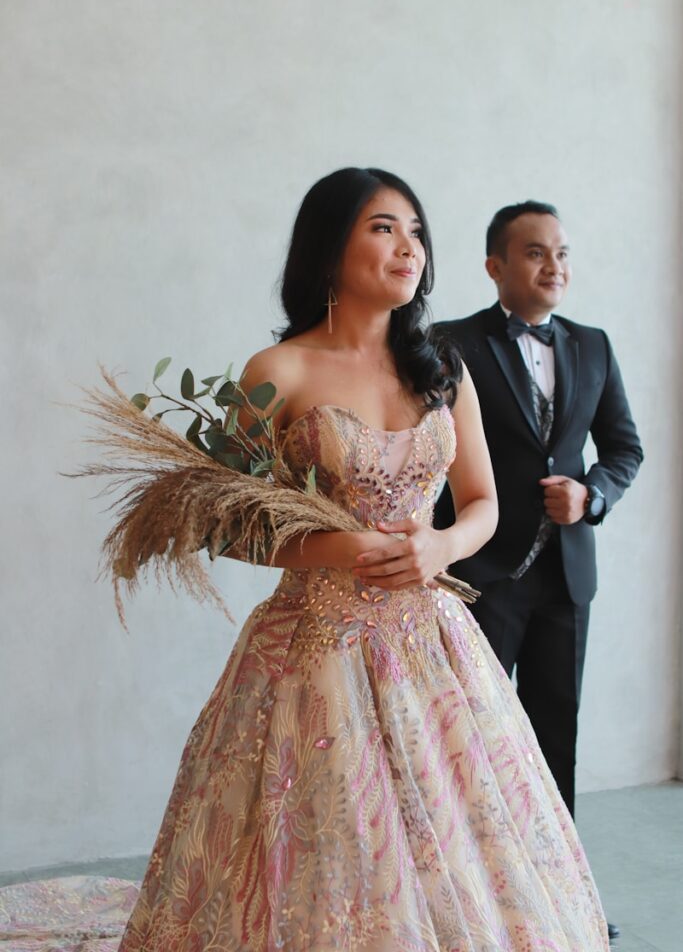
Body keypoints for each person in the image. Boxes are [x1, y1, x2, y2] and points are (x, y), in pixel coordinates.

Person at [120, 172, 609, 951]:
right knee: (328, 838)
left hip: (432, 640)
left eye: (415, 230)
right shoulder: (276, 371)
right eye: (383, 227)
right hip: (315, 647)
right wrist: (336, 548)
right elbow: (226, 522)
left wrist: (441, 544)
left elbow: (482, 501)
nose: (408, 246)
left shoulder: (442, 368)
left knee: (455, 838)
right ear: (327, 246)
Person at [433, 201, 643, 940]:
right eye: (532, 253)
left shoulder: (592, 345)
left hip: (565, 580)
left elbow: (623, 448)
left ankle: (564, 900)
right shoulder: (449, 343)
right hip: (480, 575)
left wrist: (591, 497)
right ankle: (475, 906)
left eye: (560, 252)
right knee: (475, 742)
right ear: (494, 266)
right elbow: (426, 447)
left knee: (556, 734)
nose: (552, 266)